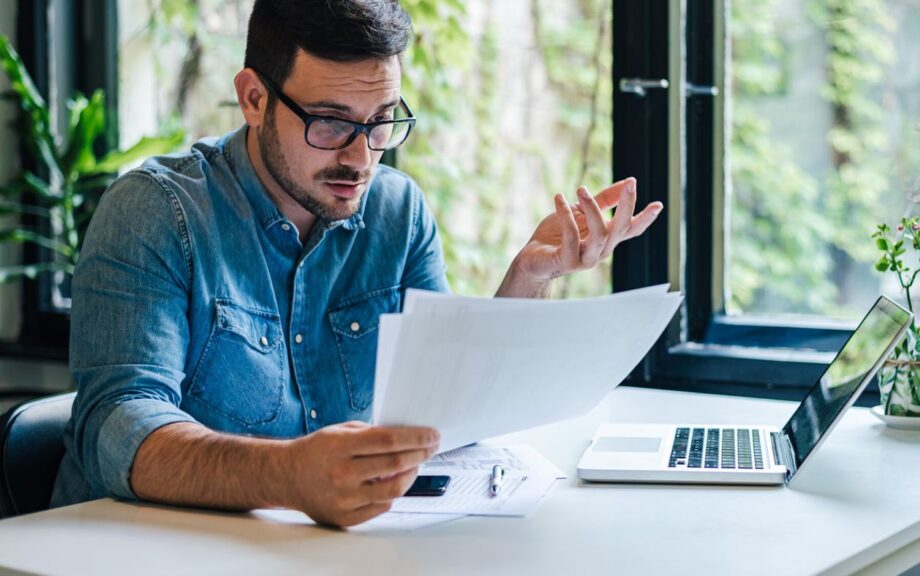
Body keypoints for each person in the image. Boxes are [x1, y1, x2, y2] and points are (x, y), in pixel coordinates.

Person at [50, 0, 663, 528]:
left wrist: (531, 275)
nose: (360, 158)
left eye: (380, 124)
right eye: (331, 122)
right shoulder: (156, 211)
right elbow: (117, 426)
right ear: (254, 98)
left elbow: (444, 405)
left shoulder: (398, 213)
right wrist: (290, 475)